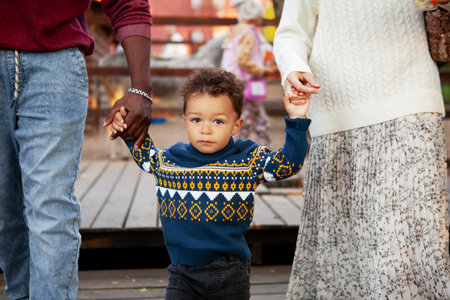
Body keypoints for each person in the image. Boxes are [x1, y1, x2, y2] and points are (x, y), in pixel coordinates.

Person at [273, 0, 450, 299]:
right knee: (345, 248)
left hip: (414, 96)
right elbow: (291, 32)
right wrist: (294, 67)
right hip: (338, 109)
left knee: (411, 241)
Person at [109, 68, 311, 299]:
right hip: (182, 274)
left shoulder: (248, 159)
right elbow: (144, 155)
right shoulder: (171, 160)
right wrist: (123, 125)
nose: (205, 129)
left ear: (236, 125)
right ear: (185, 121)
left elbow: (289, 164)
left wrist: (297, 119)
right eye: (196, 120)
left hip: (232, 273)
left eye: (218, 121)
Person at [0, 1, 152, 299]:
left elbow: (127, 3)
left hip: (55, 63)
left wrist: (141, 87)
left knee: (51, 205)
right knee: (4, 208)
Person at [221, 0, 273, 146]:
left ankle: (263, 147)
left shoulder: (233, 31)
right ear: (255, 16)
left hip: (232, 81)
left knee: (254, 116)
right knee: (247, 118)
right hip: (245, 83)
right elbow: (242, 59)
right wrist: (262, 70)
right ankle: (238, 150)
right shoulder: (249, 33)